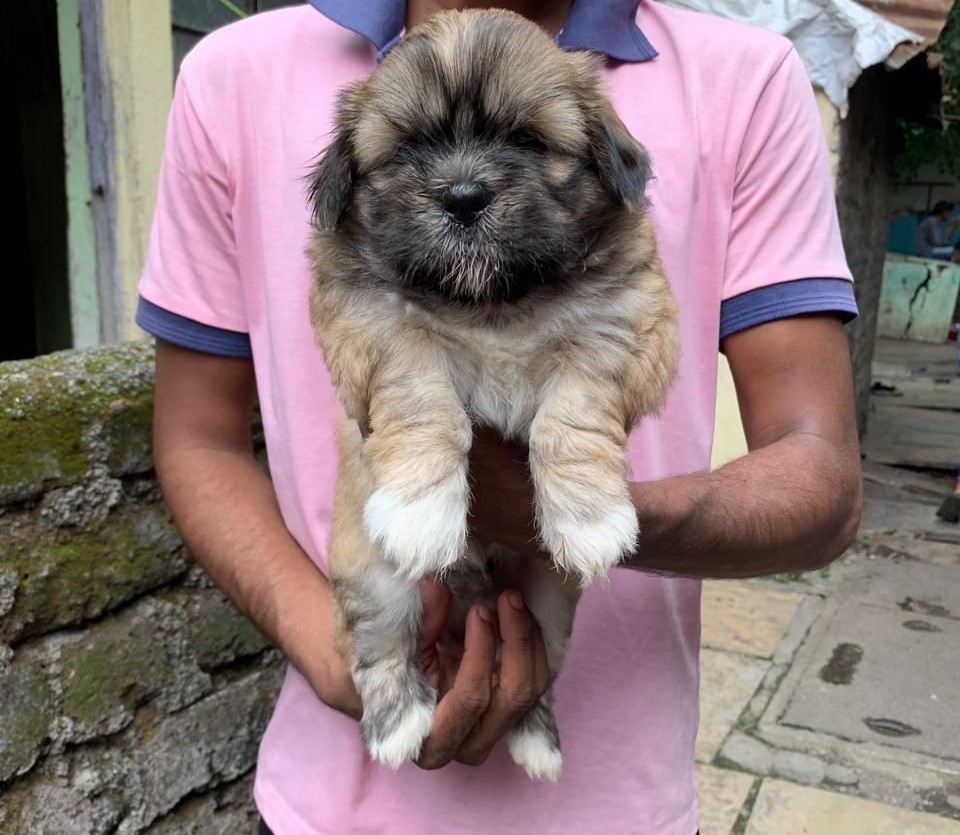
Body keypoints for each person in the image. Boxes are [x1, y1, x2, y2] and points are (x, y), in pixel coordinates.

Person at [136, 1, 862, 833]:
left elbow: (824, 481)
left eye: (528, 144)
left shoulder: (751, 78)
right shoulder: (230, 77)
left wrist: (558, 502)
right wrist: (339, 652)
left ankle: (533, 709)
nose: (465, 183)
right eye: (407, 153)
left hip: (621, 807)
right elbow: (198, 436)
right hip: (321, 803)